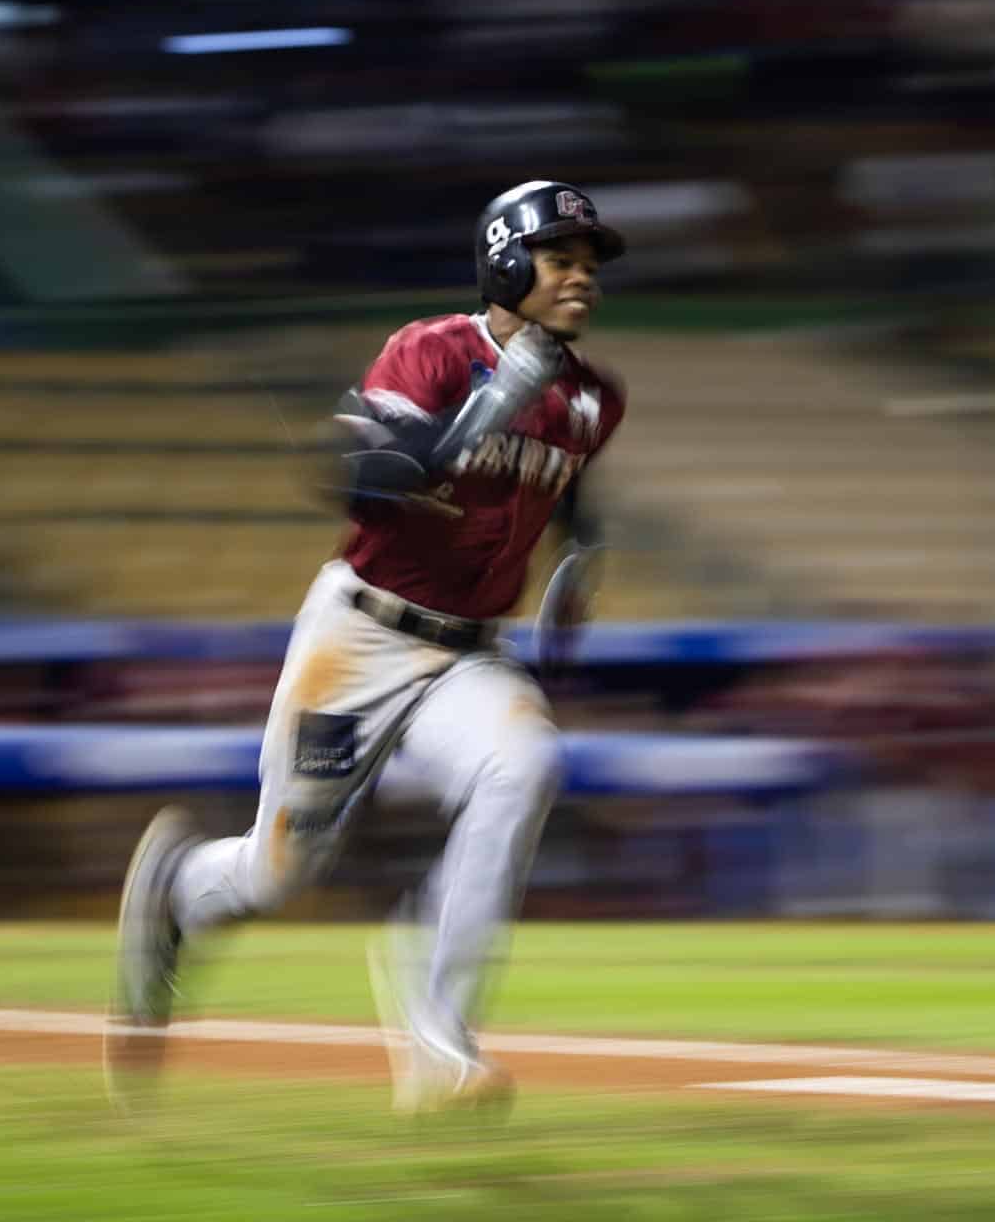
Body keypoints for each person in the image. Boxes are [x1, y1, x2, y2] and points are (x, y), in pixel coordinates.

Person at [105, 180, 626, 1117]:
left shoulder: (592, 397)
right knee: (282, 871)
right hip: (363, 637)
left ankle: (439, 1038)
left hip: (470, 653)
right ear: (507, 263)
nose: (582, 280)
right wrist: (485, 409)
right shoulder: (429, 350)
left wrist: (578, 561)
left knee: (526, 765)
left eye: (589, 266)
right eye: (561, 261)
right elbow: (355, 477)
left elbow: (566, 484)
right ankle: (181, 889)